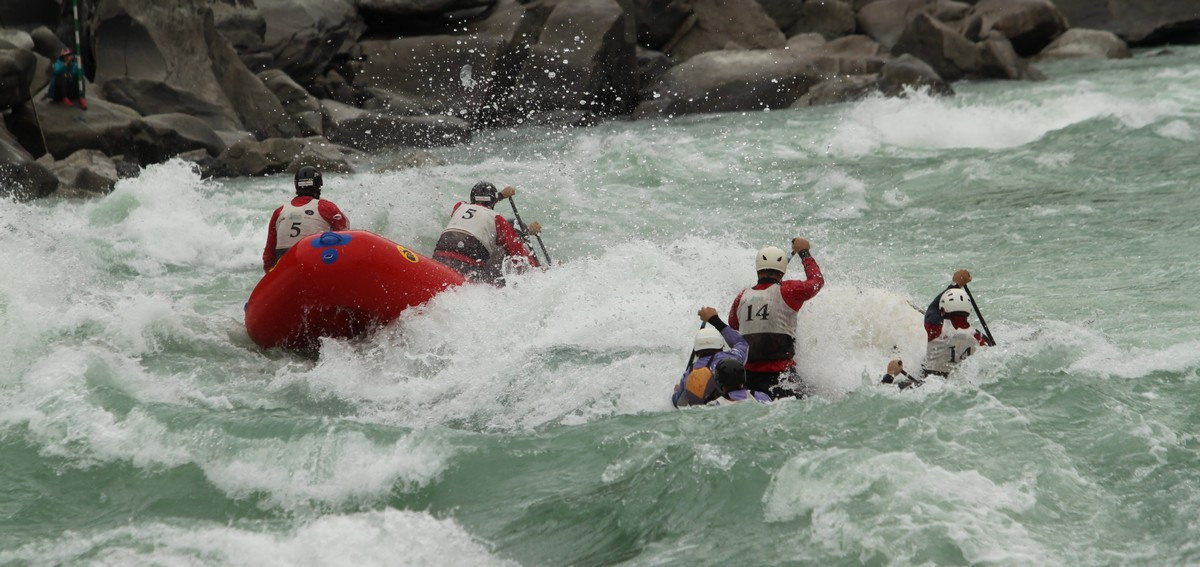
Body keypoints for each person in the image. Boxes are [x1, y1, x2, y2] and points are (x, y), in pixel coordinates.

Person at [727, 237, 824, 399]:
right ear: (783, 271)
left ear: (758, 269)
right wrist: (805, 253)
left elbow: (733, 323)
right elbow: (816, 282)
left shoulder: (742, 296)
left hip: (748, 378)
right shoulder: (788, 290)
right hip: (782, 378)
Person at [433, 182, 542, 285]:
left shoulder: (459, 206)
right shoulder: (497, 219)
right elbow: (516, 251)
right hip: (468, 267)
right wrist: (526, 233)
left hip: (439, 258)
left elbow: (479, 207)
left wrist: (500, 196)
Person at [261, 165, 349, 272]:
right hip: (314, 265)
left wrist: (269, 275)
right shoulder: (326, 207)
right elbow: (345, 235)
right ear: (318, 186)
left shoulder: (279, 212)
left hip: (284, 269)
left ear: (297, 185)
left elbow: (268, 255)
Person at [672, 307, 751, 408]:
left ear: (696, 351)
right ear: (721, 346)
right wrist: (715, 320)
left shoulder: (689, 373)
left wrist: (678, 391)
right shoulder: (731, 359)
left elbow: (678, 402)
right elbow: (741, 343)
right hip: (737, 406)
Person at [917, 269, 990, 377]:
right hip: (957, 381)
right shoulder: (979, 338)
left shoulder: (935, 326)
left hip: (929, 380)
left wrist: (956, 283)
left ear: (943, 309)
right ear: (968, 311)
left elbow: (933, 306)